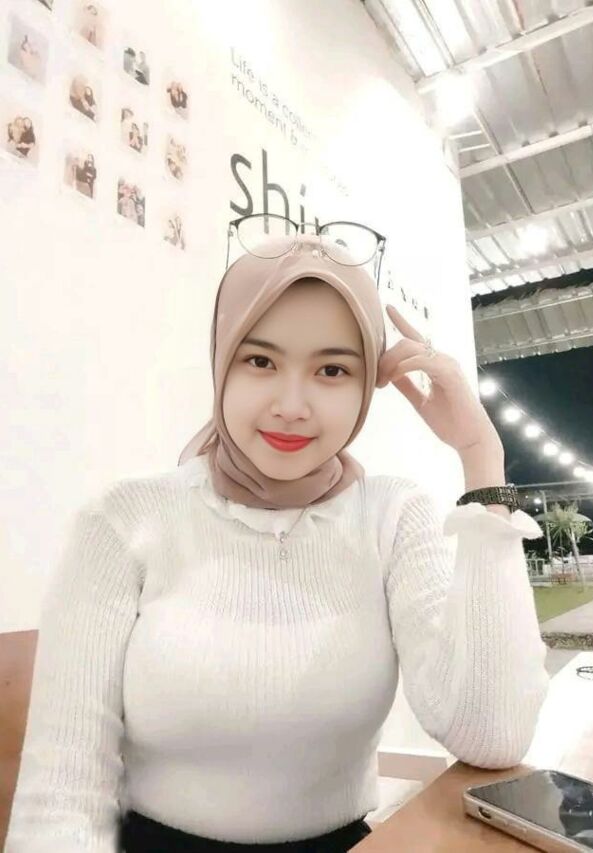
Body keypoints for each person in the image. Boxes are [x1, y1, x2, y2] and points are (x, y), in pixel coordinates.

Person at [4, 229, 550, 851]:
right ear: (222, 361)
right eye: (260, 361)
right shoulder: (125, 521)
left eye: (332, 370)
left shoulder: (392, 515)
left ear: (367, 384)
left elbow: (493, 734)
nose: (292, 405)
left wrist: (481, 458)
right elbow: (62, 798)